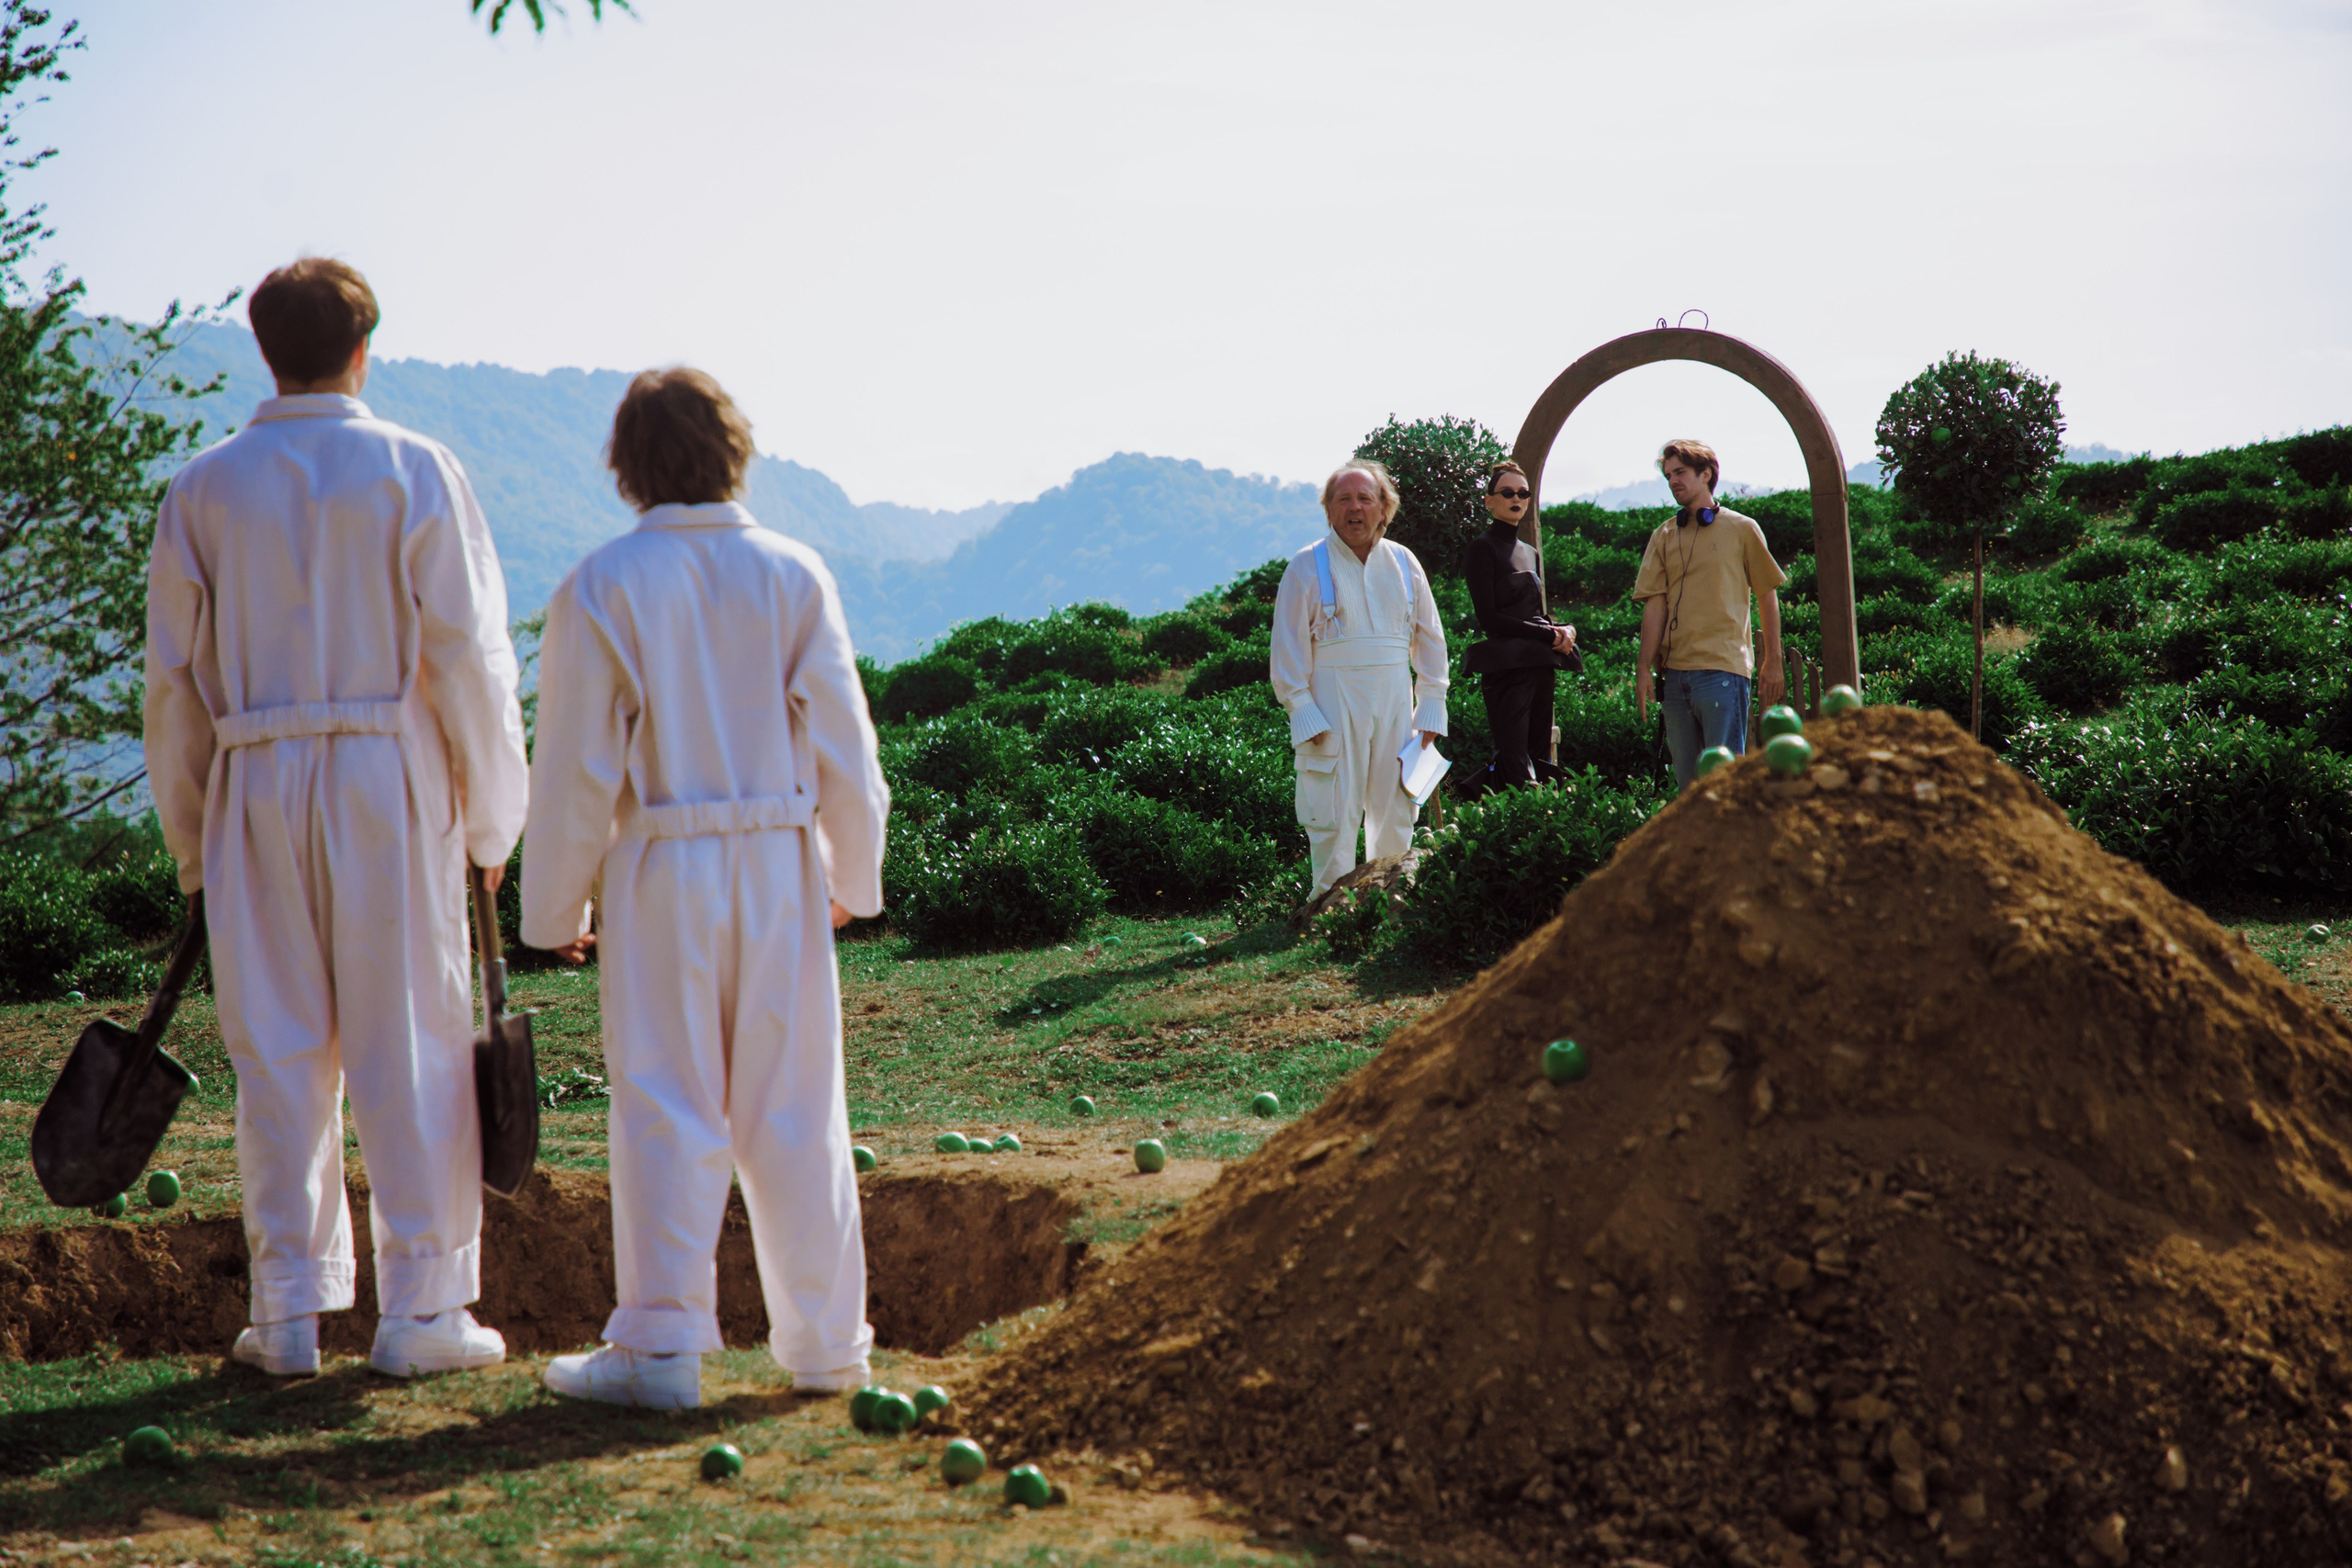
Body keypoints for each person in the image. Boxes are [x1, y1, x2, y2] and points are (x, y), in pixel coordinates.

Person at [143, 258, 530, 1379]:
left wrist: (192, 841)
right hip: (387, 778)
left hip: (252, 781)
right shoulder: (416, 468)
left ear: (265, 349)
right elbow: (470, 655)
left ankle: (286, 1318)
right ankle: (424, 1312)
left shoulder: (203, 489)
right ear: (365, 347)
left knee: (277, 1050)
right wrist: (492, 820)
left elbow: (172, 685)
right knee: (409, 1037)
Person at [520, 367, 889, 1409]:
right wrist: (851, 876)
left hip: (661, 865)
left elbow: (576, 769)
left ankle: (662, 1349)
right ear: (736, 450)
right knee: (797, 1103)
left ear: (626, 466)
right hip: (778, 858)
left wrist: (554, 911)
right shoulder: (793, 571)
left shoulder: (602, 583)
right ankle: (827, 1346)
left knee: (665, 1098)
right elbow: (847, 747)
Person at [1270, 460, 1449, 896]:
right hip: (1331, 705)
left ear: (1384, 508)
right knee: (1332, 809)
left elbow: (1430, 639)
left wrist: (1430, 707)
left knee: (1397, 807)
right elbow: (1287, 650)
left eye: (1365, 498)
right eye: (1344, 499)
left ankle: (1390, 901)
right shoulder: (1304, 566)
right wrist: (1303, 712)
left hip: (1396, 702)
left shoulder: (1404, 562)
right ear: (1328, 509)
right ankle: (1328, 909)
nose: (1355, 508)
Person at [1631, 438, 1788, 788]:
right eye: (1668, 475)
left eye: (1680, 472)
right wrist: (1643, 668)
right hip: (1675, 677)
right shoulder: (1663, 535)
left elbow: (1767, 594)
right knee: (1689, 790)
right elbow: (1655, 604)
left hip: (1723, 671)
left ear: (1706, 475)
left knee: (1725, 783)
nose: (1673, 481)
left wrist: (1773, 660)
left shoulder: (1742, 528)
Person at [1462, 459, 1579, 790]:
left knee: (1539, 756)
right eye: (1507, 492)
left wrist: (1566, 629)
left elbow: (1535, 614)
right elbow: (1489, 618)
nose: (1516, 498)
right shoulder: (1482, 548)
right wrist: (1548, 633)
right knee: (1514, 759)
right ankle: (1493, 807)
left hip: (1540, 664)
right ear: (1489, 501)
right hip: (1507, 669)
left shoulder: (1530, 552)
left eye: (1523, 493)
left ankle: (1537, 818)